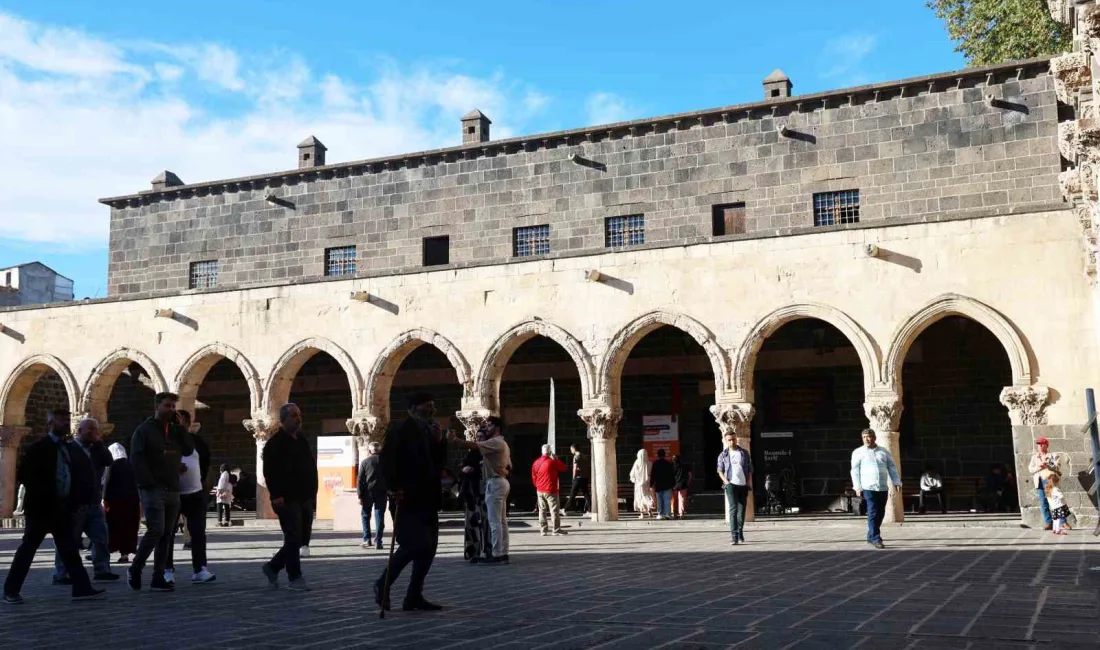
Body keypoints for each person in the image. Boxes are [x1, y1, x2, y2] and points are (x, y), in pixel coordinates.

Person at [3, 409, 106, 604]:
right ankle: (11, 590)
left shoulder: (68, 448)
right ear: (50, 424)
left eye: (67, 420)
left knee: (69, 548)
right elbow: (25, 474)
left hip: (62, 507)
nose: (65, 424)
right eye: (61, 421)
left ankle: (82, 588)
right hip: (41, 508)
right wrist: (44, 493)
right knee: (28, 548)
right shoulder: (40, 447)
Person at [374, 392, 446, 612]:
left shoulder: (430, 431)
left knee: (429, 548)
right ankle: (382, 584)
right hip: (406, 497)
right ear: (414, 408)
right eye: (427, 405)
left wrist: (439, 442)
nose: (432, 410)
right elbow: (387, 462)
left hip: (428, 497)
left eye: (433, 406)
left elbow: (438, 463)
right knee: (415, 544)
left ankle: (414, 595)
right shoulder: (400, 430)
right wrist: (394, 488)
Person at [128, 392, 194, 592]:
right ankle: (136, 567)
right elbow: (137, 459)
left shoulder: (175, 431)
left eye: (174, 406)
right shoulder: (144, 431)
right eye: (168, 406)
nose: (172, 410)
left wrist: (182, 428)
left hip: (173, 488)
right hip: (154, 488)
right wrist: (148, 482)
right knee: (156, 529)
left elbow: (189, 449)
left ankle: (158, 577)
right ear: (157, 407)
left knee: (167, 534)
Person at [260, 403, 317, 591]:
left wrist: (312, 491)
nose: (298, 418)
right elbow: (270, 472)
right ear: (283, 419)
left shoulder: (301, 439)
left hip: (305, 496)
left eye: (299, 414)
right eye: (293, 415)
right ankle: (295, 577)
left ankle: (273, 566)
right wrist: (276, 495)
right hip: (286, 498)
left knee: (300, 538)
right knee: (293, 536)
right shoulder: (275, 443)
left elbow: (309, 465)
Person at [53, 417, 116, 584]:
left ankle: (102, 570)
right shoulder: (69, 448)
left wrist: (99, 443)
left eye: (96, 430)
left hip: (94, 502)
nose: (94, 433)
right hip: (75, 503)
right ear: (79, 431)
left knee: (101, 538)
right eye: (90, 430)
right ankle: (61, 573)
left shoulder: (97, 449)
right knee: (68, 539)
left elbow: (109, 461)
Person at [450, 416, 511, 565]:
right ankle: (502, 552)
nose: (486, 428)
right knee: (501, 521)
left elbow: (473, 445)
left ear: (497, 428)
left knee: (495, 521)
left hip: (495, 482)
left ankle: (496, 554)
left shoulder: (495, 442)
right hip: (501, 481)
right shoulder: (503, 443)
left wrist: (455, 439)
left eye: (489, 425)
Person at [164, 410, 215, 585]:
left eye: (181, 421)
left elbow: (205, 461)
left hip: (194, 492)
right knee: (168, 532)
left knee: (198, 531)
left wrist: (201, 483)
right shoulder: (165, 440)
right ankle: (167, 570)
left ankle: (200, 569)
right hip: (171, 491)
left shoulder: (196, 441)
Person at [850, 428, 901, 549]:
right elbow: (855, 471)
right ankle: (875, 538)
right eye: (864, 437)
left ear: (874, 437)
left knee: (880, 512)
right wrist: (857, 487)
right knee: (873, 511)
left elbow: (892, 467)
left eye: (869, 436)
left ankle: (870, 535)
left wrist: (896, 481)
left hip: (882, 486)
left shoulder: (883, 451)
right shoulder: (858, 452)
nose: (867, 439)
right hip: (868, 487)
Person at [103, 442, 139, 564]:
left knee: (113, 527)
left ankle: (104, 553)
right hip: (132, 502)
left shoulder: (112, 465)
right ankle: (125, 554)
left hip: (115, 503)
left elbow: (107, 483)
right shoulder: (132, 465)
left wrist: (104, 498)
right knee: (128, 528)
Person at [717, 431, 752, 545]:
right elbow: (719, 470)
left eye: (733, 439)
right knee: (733, 509)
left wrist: (749, 482)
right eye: (729, 440)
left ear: (736, 439)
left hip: (743, 484)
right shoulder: (723, 455)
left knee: (742, 511)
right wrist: (727, 482)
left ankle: (740, 531)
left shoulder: (744, 453)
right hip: (731, 484)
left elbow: (750, 469)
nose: (732, 441)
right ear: (726, 441)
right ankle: (734, 535)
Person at [458, 434, 488, 563]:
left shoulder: (489, 453)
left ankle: (487, 550)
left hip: (484, 493)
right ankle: (472, 551)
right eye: (478, 437)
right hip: (471, 494)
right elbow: (462, 467)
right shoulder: (472, 454)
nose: (479, 440)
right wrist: (464, 469)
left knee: (486, 523)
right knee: (472, 523)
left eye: (482, 437)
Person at [531, 444, 568, 536]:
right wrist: (556, 459)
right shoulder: (552, 462)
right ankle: (556, 529)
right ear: (550, 452)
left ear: (542, 452)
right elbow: (564, 468)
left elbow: (534, 476)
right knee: (554, 510)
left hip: (540, 490)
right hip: (551, 489)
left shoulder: (536, 462)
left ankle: (543, 530)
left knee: (542, 510)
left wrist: (537, 486)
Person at [1028, 437, 1063, 530]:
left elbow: (1057, 467)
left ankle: (1062, 522)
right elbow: (1031, 469)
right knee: (1043, 502)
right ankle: (1049, 522)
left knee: (1053, 501)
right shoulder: (1034, 457)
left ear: (1046, 445)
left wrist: (1047, 465)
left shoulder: (1052, 455)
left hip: (1048, 480)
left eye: (1041, 444)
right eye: (1038, 444)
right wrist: (1040, 466)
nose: (1039, 446)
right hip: (1039, 482)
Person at [357, 441, 387, 550]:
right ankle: (378, 541)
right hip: (382, 492)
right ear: (380, 450)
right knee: (379, 516)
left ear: (370, 451)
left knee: (365, 515)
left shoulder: (365, 462)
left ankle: (367, 539)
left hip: (367, 493)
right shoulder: (386, 462)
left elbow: (360, 480)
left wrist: (360, 495)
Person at [562, 444, 590, 515]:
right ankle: (590, 509)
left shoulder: (576, 456)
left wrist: (574, 477)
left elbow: (575, 467)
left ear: (574, 449)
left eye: (571, 449)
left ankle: (565, 509)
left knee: (572, 493)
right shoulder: (584, 456)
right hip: (585, 478)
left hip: (578, 478)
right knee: (586, 494)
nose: (571, 451)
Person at [649, 449, 676, 520]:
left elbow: (653, 475)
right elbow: (672, 475)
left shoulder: (655, 463)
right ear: (664, 455)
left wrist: (651, 484)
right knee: (667, 500)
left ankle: (660, 514)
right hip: (667, 484)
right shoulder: (668, 463)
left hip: (659, 485)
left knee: (659, 500)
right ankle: (668, 514)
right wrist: (673, 484)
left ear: (658, 455)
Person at [629, 449, 653, 519]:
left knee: (640, 497)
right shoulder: (650, 463)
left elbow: (632, 473)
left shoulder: (637, 463)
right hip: (647, 484)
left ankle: (642, 514)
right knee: (647, 496)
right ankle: (650, 511)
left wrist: (633, 479)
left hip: (638, 485)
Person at [671, 455, 693, 519]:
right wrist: (688, 483)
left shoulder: (672, 467)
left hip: (674, 485)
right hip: (683, 484)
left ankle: (675, 513)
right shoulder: (685, 466)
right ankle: (682, 514)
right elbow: (690, 475)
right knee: (682, 499)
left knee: (674, 500)